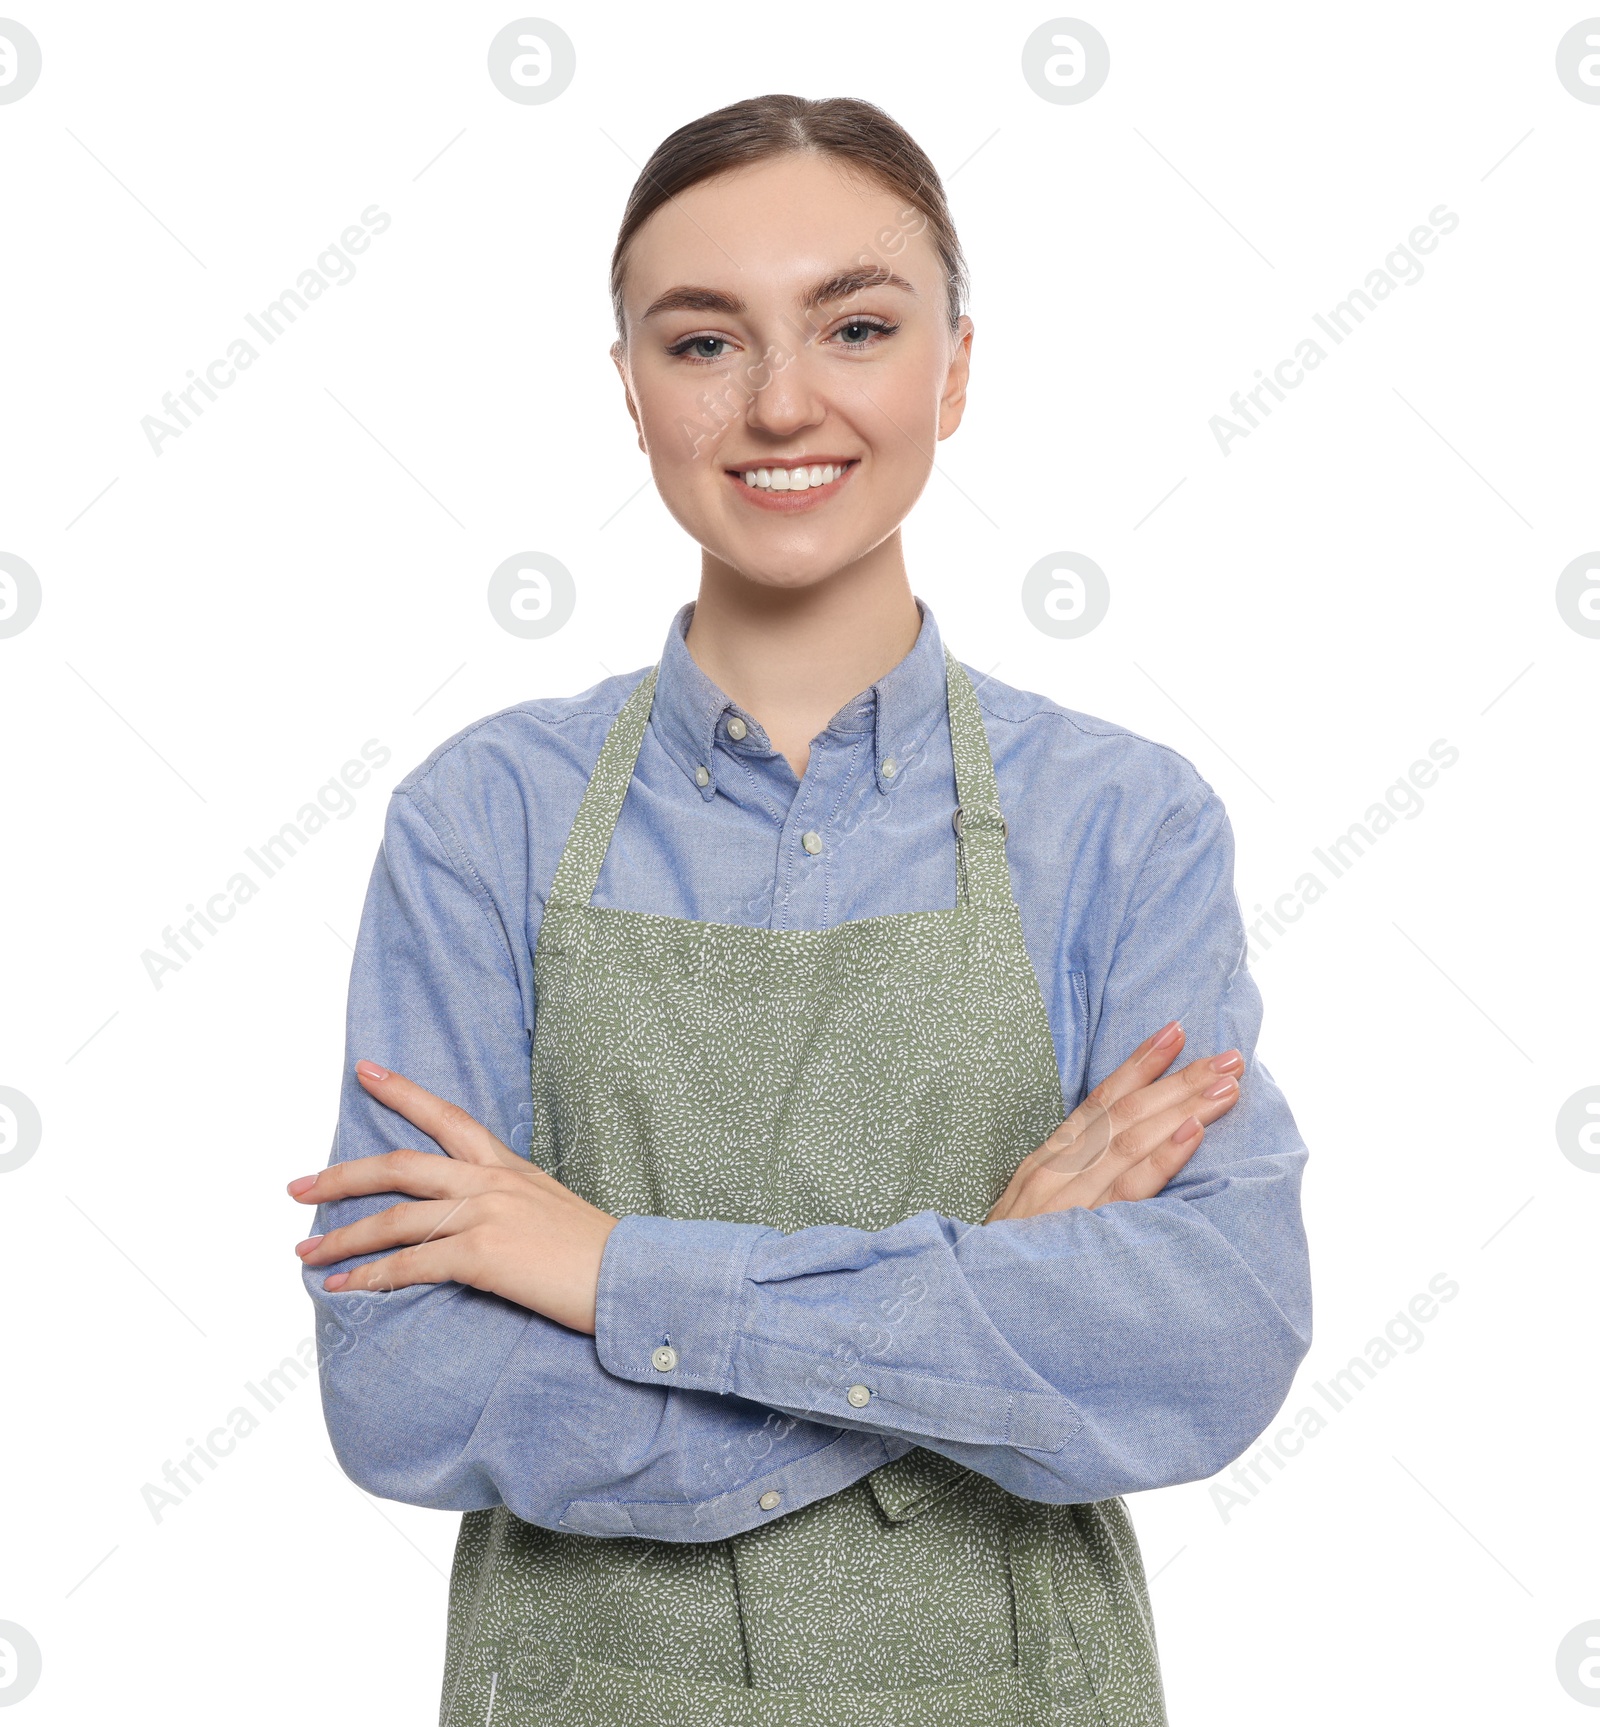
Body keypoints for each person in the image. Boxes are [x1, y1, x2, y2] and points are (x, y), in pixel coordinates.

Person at [290, 93, 1311, 1726]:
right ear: (629, 387)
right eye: (702, 343)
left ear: (954, 367)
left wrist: (612, 1272)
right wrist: (981, 1302)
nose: (781, 404)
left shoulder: (1122, 826)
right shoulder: (484, 823)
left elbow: (1210, 1341)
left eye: (855, 324)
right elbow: (401, 1387)